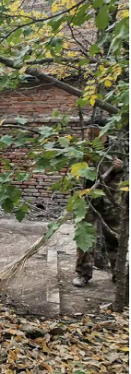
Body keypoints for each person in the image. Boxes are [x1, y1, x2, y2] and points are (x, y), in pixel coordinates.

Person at [73, 119, 124, 287]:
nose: (90, 135)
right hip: (88, 199)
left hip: (111, 198)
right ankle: (83, 274)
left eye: (94, 132)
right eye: (89, 131)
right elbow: (73, 174)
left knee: (114, 237)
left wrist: (121, 166)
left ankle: (119, 275)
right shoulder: (83, 148)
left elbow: (126, 170)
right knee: (85, 237)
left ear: (104, 131)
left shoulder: (117, 146)